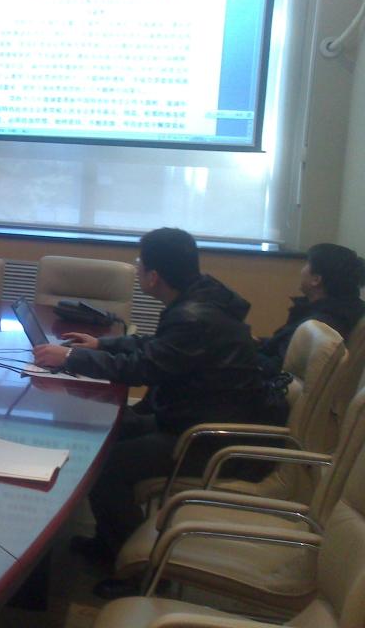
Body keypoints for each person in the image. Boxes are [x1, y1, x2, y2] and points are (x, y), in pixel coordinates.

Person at [34, 228, 287, 598]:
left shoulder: (194, 316)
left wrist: (71, 358)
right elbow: (159, 347)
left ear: (153, 276)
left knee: (106, 465)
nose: (137, 269)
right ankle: (109, 542)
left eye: (140, 264)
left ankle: (141, 572)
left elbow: (144, 368)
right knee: (101, 433)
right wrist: (103, 344)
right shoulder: (201, 298)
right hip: (196, 417)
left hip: (209, 439)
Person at [257, 243, 365, 376]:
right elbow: (283, 346)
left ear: (316, 280)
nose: (301, 271)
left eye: (306, 264)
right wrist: (253, 341)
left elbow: (278, 367)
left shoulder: (320, 323)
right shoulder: (342, 310)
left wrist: (242, 346)